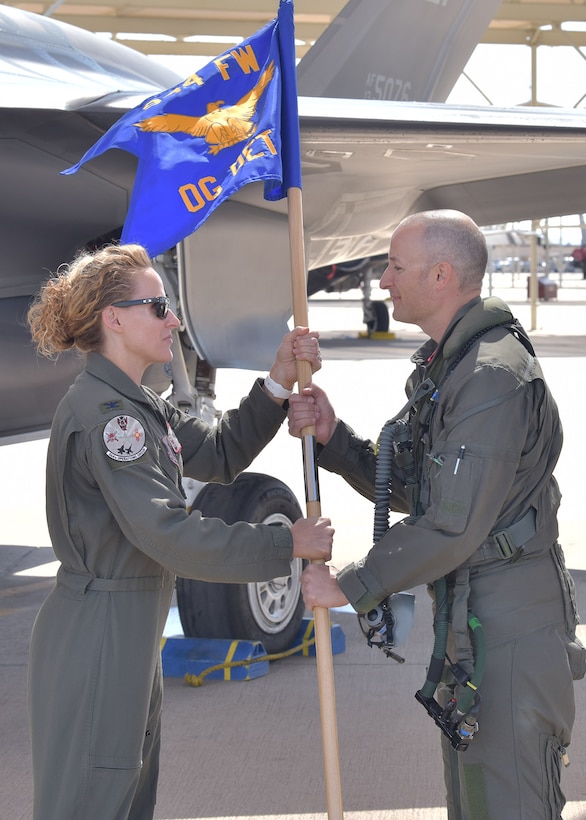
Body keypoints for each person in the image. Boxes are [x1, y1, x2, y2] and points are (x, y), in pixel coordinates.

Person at [289, 209, 585, 819]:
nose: (386, 281)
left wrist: (348, 585)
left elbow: (453, 524)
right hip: (476, 622)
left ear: (441, 275)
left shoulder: (489, 375)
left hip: (509, 629)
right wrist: (334, 438)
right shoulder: (451, 365)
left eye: (396, 267)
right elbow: (429, 491)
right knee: (477, 803)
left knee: (508, 805)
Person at [26, 242, 333, 820]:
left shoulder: (138, 404)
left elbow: (217, 454)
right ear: (113, 319)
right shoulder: (109, 417)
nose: (173, 319)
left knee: (125, 797)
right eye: (157, 306)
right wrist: (284, 544)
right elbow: (168, 534)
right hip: (101, 632)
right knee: (91, 802)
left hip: (127, 629)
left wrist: (276, 380)